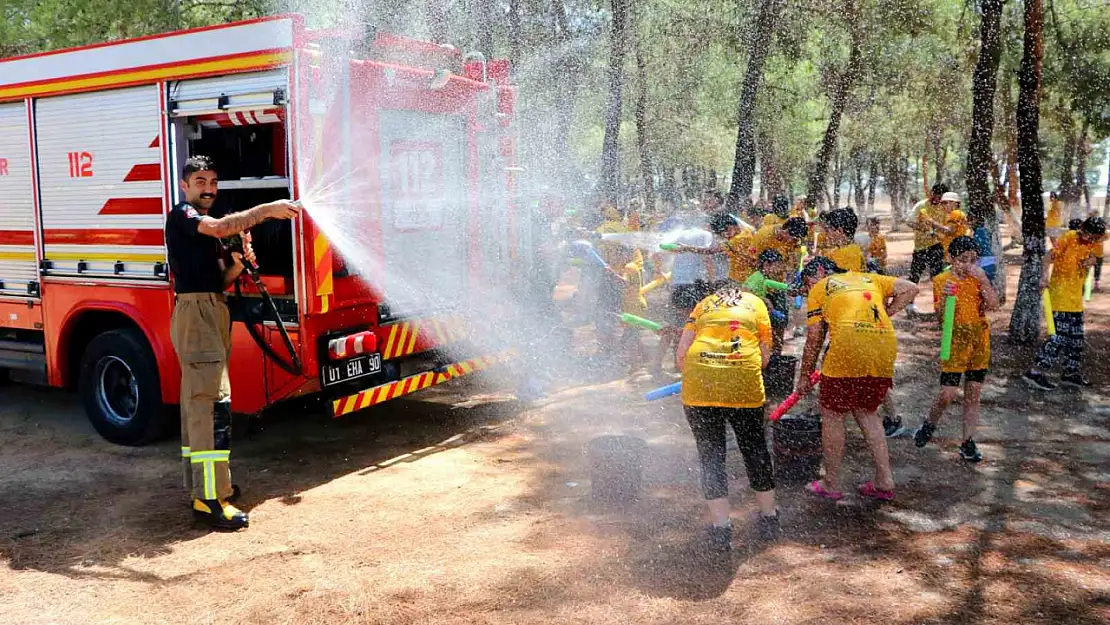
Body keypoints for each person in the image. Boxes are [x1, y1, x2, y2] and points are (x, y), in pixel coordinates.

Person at [167, 155, 300, 530]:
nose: (208, 188)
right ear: (185, 185)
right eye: (199, 181)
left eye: (212, 181)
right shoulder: (185, 216)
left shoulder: (203, 231)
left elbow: (219, 281)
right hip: (197, 315)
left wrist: (239, 264)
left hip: (212, 310)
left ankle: (206, 489)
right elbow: (223, 225)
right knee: (211, 407)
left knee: (205, 404)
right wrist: (268, 210)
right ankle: (210, 499)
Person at [796, 257, 919, 501]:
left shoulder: (821, 287)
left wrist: (804, 376)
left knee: (832, 415)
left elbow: (813, 336)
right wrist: (886, 312)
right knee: (867, 412)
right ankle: (884, 481)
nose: (808, 288)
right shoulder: (869, 278)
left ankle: (831, 483)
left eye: (807, 283)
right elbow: (911, 288)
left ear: (818, 273)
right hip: (883, 346)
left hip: (847, 348)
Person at [676, 281, 780, 553]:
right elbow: (765, 356)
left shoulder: (703, 305)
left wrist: (705, 373)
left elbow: (681, 354)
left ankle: (721, 528)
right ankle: (769, 517)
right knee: (755, 449)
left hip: (700, 381)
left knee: (710, 455)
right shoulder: (756, 304)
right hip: (742, 381)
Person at [914, 237, 1000, 462]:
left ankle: (967, 441)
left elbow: (994, 305)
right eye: (963, 260)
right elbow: (941, 319)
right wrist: (946, 297)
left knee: (973, 394)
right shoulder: (942, 280)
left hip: (979, 342)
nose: (968, 265)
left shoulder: (977, 278)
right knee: (947, 394)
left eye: (973, 260)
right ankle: (930, 423)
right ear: (950, 258)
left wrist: (983, 281)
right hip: (954, 345)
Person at [1022, 216, 1107, 390]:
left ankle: (1070, 373)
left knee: (1076, 340)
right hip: (1059, 297)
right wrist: (1044, 277)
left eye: (1094, 238)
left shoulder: (1095, 242)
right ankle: (1035, 372)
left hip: (1075, 300)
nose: (1089, 239)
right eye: (1087, 235)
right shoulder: (1069, 237)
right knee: (1057, 337)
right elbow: (1048, 257)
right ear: (1082, 228)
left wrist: (1091, 261)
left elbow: (1094, 256)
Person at [753, 216, 809, 353]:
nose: (795, 242)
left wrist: (791, 286)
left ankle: (776, 356)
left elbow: (792, 266)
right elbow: (750, 262)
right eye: (794, 238)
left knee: (780, 324)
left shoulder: (793, 243)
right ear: (786, 231)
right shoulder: (763, 235)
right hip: (758, 290)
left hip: (778, 287)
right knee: (758, 325)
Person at [908, 183, 952, 293]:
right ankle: (909, 305)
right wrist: (921, 227)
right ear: (932, 193)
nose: (937, 200)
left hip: (937, 245)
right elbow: (909, 222)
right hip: (920, 247)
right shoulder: (921, 206)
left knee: (937, 277)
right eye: (936, 196)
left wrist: (934, 226)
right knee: (915, 276)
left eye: (940, 198)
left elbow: (948, 229)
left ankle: (938, 304)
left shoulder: (945, 208)